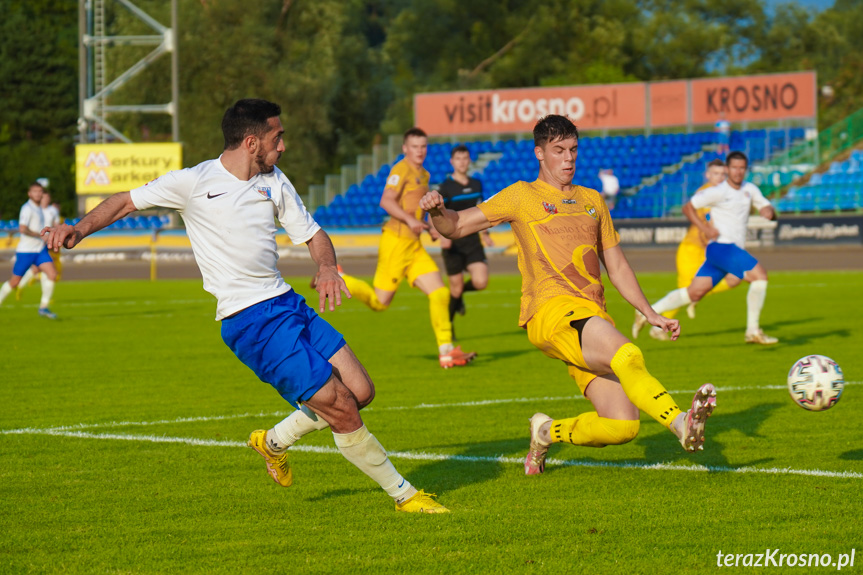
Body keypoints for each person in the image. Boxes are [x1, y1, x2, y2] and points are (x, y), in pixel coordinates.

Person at [43, 98, 448, 513]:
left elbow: (313, 233)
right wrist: (78, 228)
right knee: (342, 408)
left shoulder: (274, 180)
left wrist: (327, 267)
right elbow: (125, 201)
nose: (283, 146)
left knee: (361, 391)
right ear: (252, 141)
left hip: (286, 303)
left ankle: (272, 443)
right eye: (278, 137)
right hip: (250, 321)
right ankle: (405, 496)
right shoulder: (194, 180)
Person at [419, 114, 716, 476]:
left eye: (573, 149)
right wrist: (438, 211)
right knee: (628, 354)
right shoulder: (521, 196)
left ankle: (544, 432)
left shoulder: (593, 201)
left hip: (590, 317)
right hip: (550, 311)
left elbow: (617, 266)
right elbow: (457, 225)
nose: (568, 158)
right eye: (558, 150)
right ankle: (679, 421)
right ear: (539, 154)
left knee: (623, 426)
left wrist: (649, 311)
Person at [337, 128, 476, 368]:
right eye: (414, 146)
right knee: (380, 304)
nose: (420, 151)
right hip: (395, 244)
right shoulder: (400, 170)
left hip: (414, 247)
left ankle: (446, 351)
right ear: (405, 148)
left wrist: (429, 226)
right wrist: (411, 220)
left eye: (423, 146)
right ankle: (339, 277)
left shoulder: (424, 173)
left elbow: (416, 209)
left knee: (440, 293)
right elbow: (386, 201)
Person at [633, 151, 778, 345]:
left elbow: (767, 208)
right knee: (760, 277)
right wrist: (705, 228)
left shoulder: (750, 189)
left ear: (746, 169)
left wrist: (769, 211)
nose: (738, 172)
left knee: (693, 293)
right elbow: (688, 207)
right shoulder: (717, 191)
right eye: (734, 167)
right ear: (728, 169)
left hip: (722, 253)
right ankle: (753, 331)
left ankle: (646, 313)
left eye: (741, 168)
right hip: (722, 247)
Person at [642, 159, 732, 341]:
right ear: (707, 175)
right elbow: (703, 224)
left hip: (707, 250)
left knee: (728, 279)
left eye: (723, 174)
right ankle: (657, 323)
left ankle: (668, 311)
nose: (720, 177)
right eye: (716, 173)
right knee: (688, 288)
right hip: (692, 248)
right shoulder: (706, 193)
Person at [435, 144, 493, 326]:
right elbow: (435, 214)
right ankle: (448, 327)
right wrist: (442, 235)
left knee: (481, 281)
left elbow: (481, 211)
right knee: (455, 287)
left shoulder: (477, 184)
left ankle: (460, 295)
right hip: (453, 244)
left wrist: (486, 234)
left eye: (465, 158)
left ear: (469, 161)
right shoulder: (444, 188)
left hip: (473, 241)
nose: (462, 162)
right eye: (458, 158)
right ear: (452, 162)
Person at [0, 182, 59, 319]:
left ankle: (43, 308)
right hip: (26, 251)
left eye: (40, 191)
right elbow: (22, 229)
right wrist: (40, 235)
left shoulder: (39, 209)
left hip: (40, 250)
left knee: (52, 274)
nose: (38, 194)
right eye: (35, 191)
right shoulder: (27, 208)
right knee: (15, 282)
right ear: (29, 193)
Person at [17, 187, 62, 298]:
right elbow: (24, 228)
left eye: (47, 197)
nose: (45, 199)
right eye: (43, 197)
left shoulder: (52, 211)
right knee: (44, 270)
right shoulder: (33, 209)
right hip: (36, 245)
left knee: (48, 271)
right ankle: (20, 285)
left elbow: (56, 225)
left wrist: (57, 236)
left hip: (48, 243)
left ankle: (45, 303)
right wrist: (40, 236)